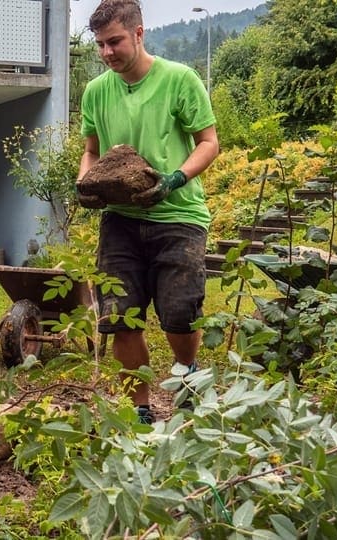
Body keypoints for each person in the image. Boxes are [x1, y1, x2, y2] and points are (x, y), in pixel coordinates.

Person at [76, 0, 219, 423]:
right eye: (100, 45)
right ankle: (140, 410)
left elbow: (208, 142)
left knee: (178, 312)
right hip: (120, 219)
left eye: (115, 41)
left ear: (139, 34)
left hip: (179, 216)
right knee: (120, 318)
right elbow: (90, 151)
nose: (107, 53)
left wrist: (174, 180)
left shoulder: (180, 80)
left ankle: (186, 377)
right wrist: (84, 183)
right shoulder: (96, 91)